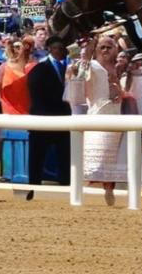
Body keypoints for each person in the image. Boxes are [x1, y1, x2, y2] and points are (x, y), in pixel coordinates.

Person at [70, 35, 125, 206]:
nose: (106, 50)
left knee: (112, 160)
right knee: (94, 159)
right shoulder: (92, 65)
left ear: (115, 49)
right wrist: (85, 56)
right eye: (102, 47)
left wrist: (118, 91)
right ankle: (81, 194)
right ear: (97, 49)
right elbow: (79, 76)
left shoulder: (118, 67)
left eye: (109, 47)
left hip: (115, 115)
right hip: (97, 115)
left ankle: (109, 190)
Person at [27, 36, 71, 187]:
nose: (60, 51)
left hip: (63, 120)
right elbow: (35, 93)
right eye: (56, 48)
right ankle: (33, 187)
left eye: (62, 48)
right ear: (50, 49)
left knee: (65, 157)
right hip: (42, 119)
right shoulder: (39, 69)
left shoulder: (69, 68)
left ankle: (66, 186)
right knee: (37, 157)